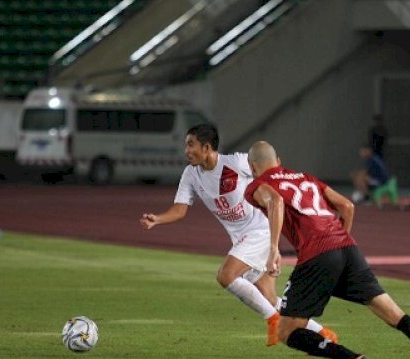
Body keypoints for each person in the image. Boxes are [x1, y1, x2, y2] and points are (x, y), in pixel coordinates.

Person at [244, 140, 410, 359]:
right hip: (348, 250)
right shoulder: (307, 178)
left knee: (287, 330)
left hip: (317, 255)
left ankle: (350, 358)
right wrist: (340, 243)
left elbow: (276, 201)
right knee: (395, 315)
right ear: (279, 161)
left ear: (252, 166)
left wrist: (273, 250)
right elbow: (347, 206)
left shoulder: (257, 185)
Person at [139, 124, 336, 346]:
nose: (186, 150)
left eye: (190, 145)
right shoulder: (191, 174)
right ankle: (324, 333)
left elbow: (270, 173)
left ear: (206, 147)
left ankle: (272, 320)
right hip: (241, 239)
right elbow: (180, 210)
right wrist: (157, 219)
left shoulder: (237, 163)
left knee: (226, 276)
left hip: (260, 231)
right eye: (186, 145)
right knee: (269, 298)